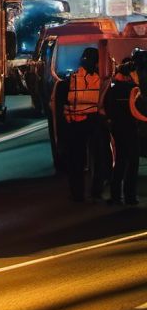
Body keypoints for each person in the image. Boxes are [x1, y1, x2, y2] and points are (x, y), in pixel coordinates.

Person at [52, 47, 107, 202]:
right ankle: (96, 191)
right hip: (94, 122)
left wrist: (62, 133)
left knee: (76, 161)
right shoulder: (101, 80)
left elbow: (59, 107)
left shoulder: (71, 80)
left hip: (75, 124)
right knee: (98, 159)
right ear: (97, 62)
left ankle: (78, 194)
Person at [103, 57, 140, 206]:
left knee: (120, 162)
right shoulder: (134, 89)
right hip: (131, 128)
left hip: (118, 129)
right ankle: (130, 196)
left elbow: (108, 108)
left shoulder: (112, 89)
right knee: (133, 163)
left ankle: (115, 195)